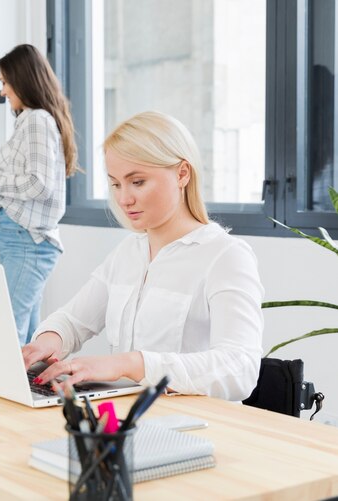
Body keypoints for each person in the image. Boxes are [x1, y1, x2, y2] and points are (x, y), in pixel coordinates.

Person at [22, 111, 264, 401]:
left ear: (182, 174)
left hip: (192, 425)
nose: (124, 199)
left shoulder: (225, 256)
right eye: (116, 184)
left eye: (137, 182)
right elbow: (73, 321)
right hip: (127, 420)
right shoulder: (128, 252)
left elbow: (240, 368)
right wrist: (51, 340)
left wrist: (130, 363)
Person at [0, 44, 78, 346]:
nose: (2, 92)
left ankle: (3, 392)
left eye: (4, 82)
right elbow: (31, 181)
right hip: (22, 238)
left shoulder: (37, 120)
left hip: (27, 240)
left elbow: (40, 184)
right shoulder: (30, 120)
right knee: (24, 334)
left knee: (7, 329)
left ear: (23, 79)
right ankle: (24, 391)